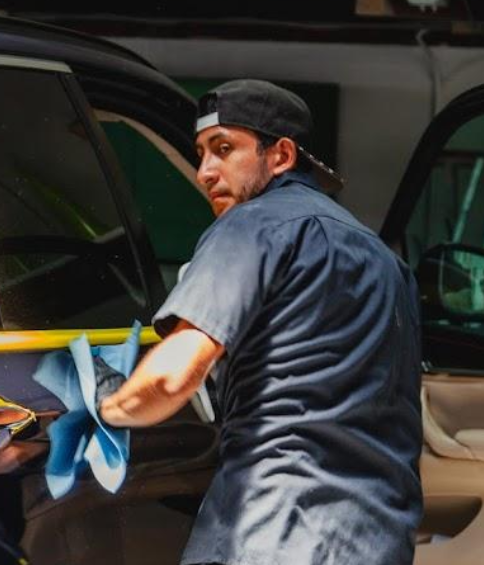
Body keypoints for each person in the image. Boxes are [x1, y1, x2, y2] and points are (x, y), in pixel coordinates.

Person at [96, 79, 423, 564]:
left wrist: (109, 405)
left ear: (282, 155)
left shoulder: (250, 227)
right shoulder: (385, 261)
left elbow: (170, 378)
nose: (206, 171)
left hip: (274, 532)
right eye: (201, 152)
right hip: (378, 539)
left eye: (224, 149)